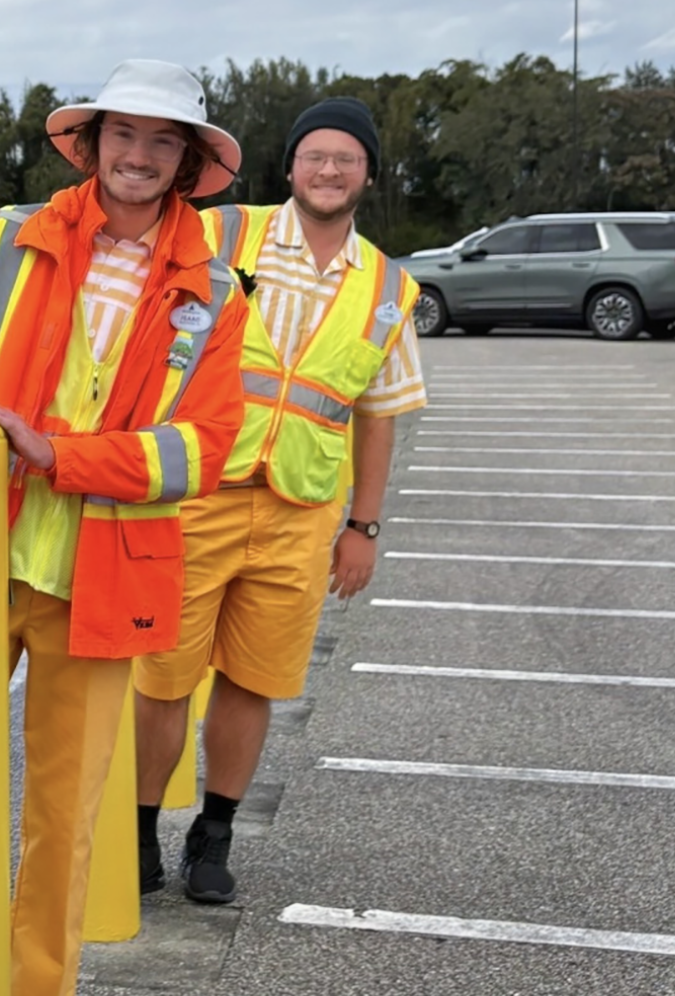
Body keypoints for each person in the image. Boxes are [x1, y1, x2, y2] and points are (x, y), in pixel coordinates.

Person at [0, 60, 246, 996]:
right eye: (124, 134)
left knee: (67, 819)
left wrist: (58, 454)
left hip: (102, 580)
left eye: (162, 140)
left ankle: (35, 986)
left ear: (186, 163)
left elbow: (201, 453)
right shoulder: (0, 242)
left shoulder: (214, 291)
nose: (139, 155)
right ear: (90, 144)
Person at [132, 96, 425, 905]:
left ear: (368, 173)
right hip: (197, 492)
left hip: (300, 512)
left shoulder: (390, 286)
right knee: (162, 678)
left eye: (347, 159)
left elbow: (377, 416)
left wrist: (363, 525)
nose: (329, 171)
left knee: (254, 680)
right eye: (315, 156)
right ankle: (138, 832)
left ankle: (212, 837)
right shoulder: (222, 234)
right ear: (291, 165)